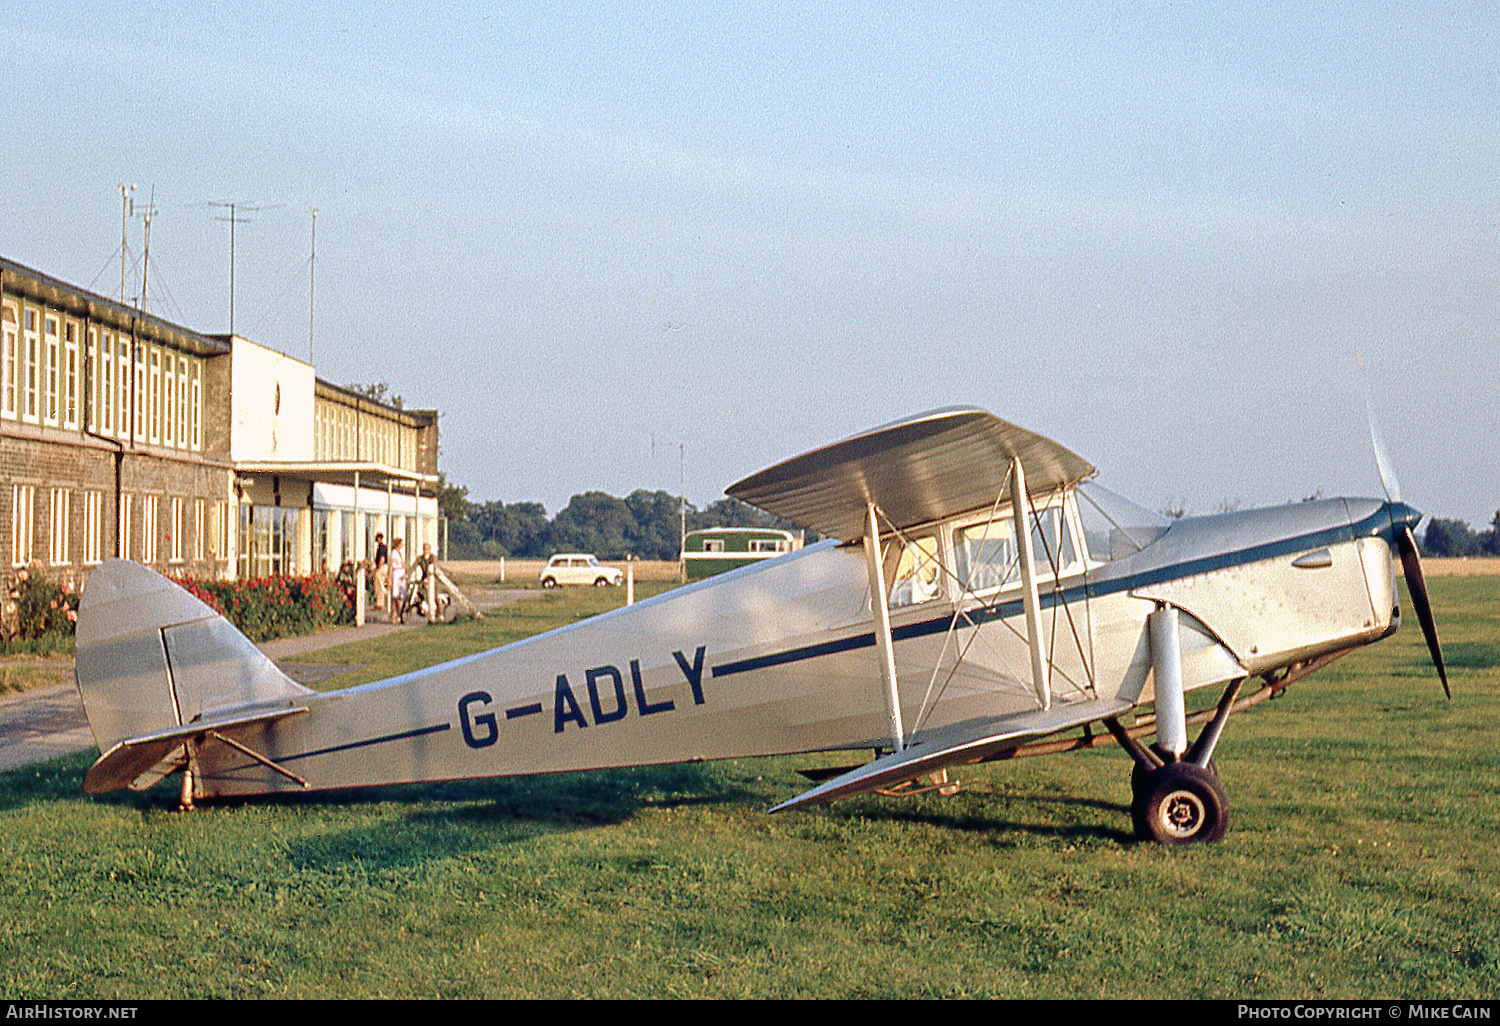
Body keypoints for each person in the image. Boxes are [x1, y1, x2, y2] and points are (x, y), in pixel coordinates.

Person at [390, 537, 407, 624]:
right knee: (395, 595)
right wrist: (389, 578)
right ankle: (396, 614)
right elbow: (391, 565)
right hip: (396, 573)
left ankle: (400, 614)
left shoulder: (400, 553)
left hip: (401, 573)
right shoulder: (393, 553)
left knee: (402, 595)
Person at [372, 532, 390, 617]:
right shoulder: (382, 546)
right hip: (383, 567)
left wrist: (378, 567)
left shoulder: (382, 547)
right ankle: (381, 601)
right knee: (379, 584)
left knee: (378, 584)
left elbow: (382, 558)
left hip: (382, 567)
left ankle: (380, 602)